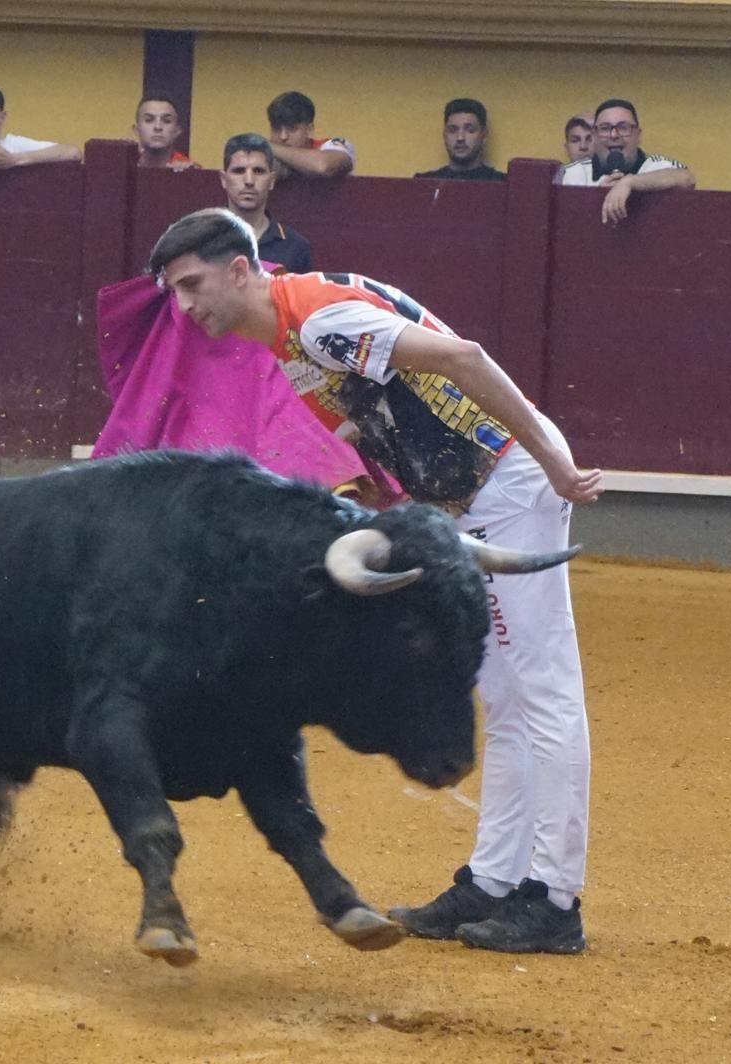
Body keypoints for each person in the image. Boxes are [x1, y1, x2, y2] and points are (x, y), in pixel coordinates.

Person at [147, 208, 600, 954]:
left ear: (238, 270)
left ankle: (554, 898)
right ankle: (493, 881)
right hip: (471, 492)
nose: (185, 306)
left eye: (193, 284)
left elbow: (464, 357)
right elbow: (378, 419)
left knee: (541, 688)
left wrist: (549, 458)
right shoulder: (292, 341)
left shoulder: (318, 325)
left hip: (507, 482)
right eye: (174, 291)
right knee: (506, 694)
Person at [557, 99, 693, 224]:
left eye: (623, 127)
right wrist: (595, 198)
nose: (614, 135)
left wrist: (629, 183)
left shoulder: (657, 165)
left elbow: (687, 178)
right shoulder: (575, 172)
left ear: (638, 135)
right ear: (595, 136)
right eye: (605, 128)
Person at [221, 133, 313, 273]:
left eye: (258, 171)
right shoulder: (202, 240)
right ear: (224, 179)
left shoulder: (296, 247)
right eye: (239, 171)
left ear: (271, 181)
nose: (249, 181)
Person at [266, 91, 354, 179]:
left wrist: (267, 146)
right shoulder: (265, 152)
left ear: (309, 130)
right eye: (276, 129)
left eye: (292, 128)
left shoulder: (333, 145)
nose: (283, 136)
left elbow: (323, 166)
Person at [415, 99, 503, 181]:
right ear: (444, 134)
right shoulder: (423, 182)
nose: (460, 138)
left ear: (484, 135)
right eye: (452, 130)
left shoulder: (502, 183)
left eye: (470, 130)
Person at [134, 94, 197, 169]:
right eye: (149, 120)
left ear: (177, 130)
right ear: (136, 130)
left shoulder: (192, 171)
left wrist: (188, 177)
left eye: (167, 121)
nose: (158, 127)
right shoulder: (122, 167)